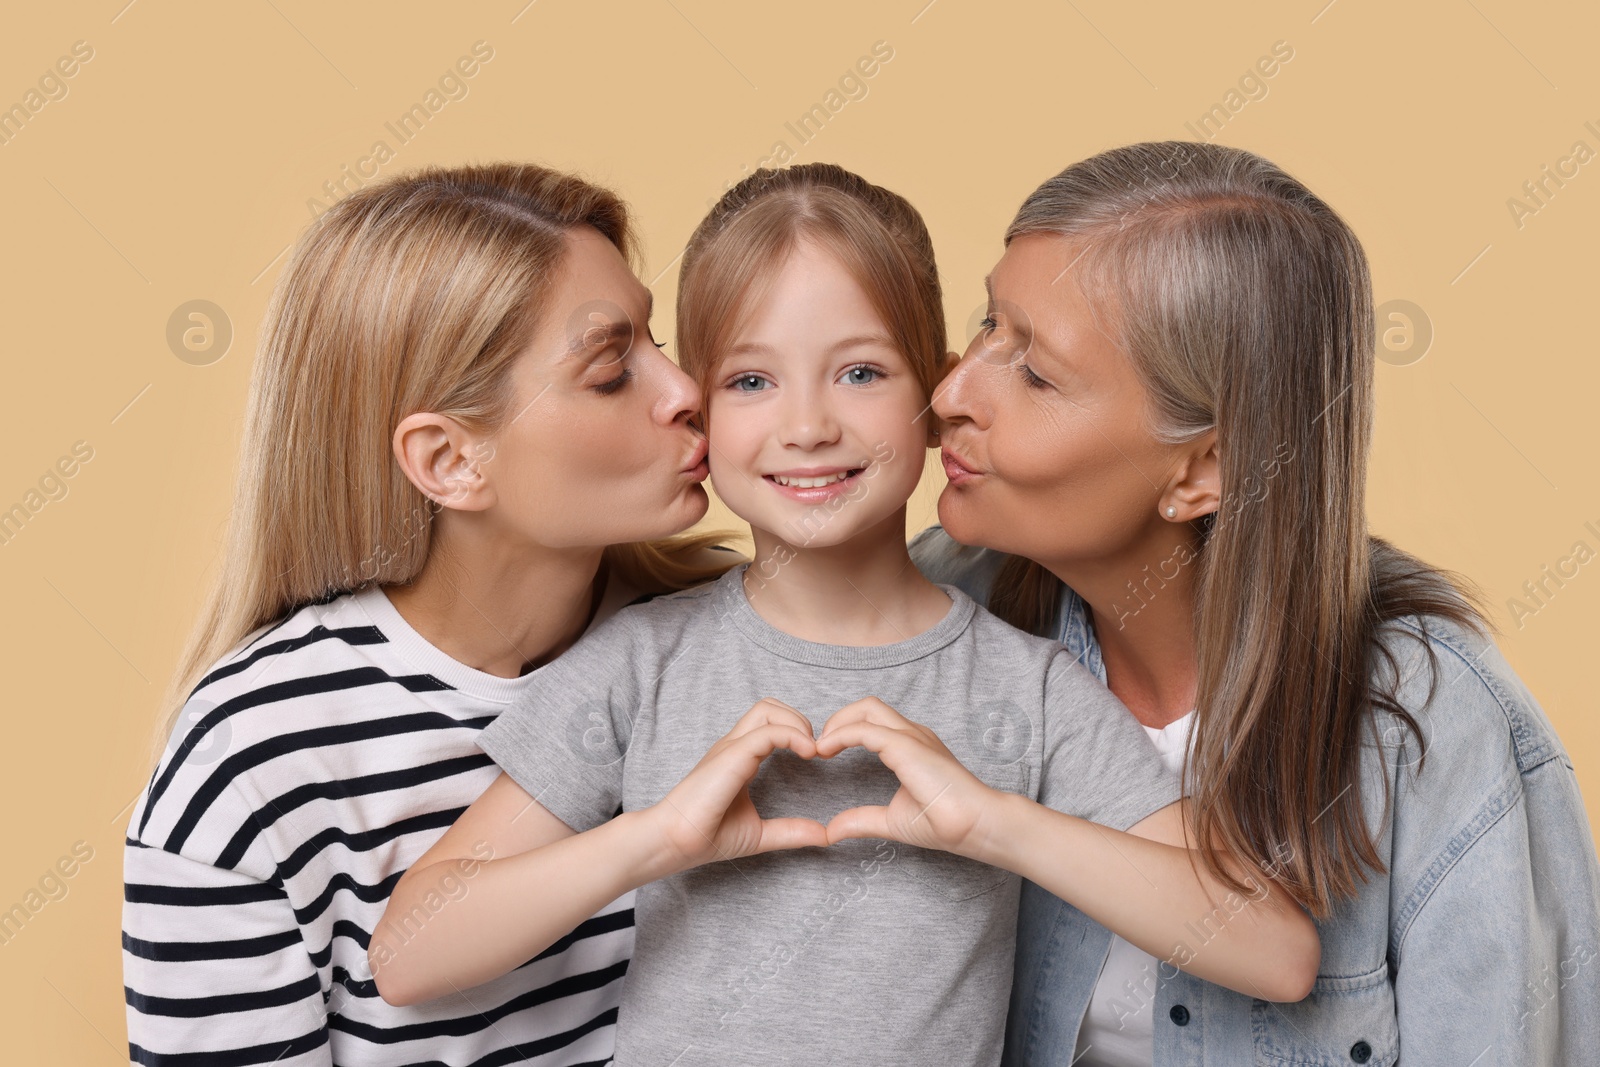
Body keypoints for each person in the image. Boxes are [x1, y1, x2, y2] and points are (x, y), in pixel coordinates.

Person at [370, 162, 1319, 1067]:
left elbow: (1275, 952)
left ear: (938, 395)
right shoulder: (646, 659)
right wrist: (655, 836)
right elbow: (410, 954)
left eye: (861, 372)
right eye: (750, 380)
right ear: (698, 407)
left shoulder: (1024, 686)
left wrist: (994, 824)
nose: (809, 425)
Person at [909, 140, 1600, 1066]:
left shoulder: (1441, 726)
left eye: (1034, 373)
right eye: (988, 325)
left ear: (1205, 469)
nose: (950, 391)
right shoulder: (939, 612)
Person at [122, 162, 740, 1066]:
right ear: (450, 459)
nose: (686, 387)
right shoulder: (251, 761)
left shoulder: (729, 640)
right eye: (613, 371)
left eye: (658, 339)